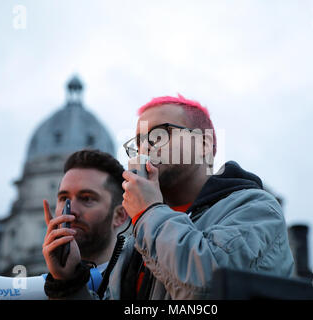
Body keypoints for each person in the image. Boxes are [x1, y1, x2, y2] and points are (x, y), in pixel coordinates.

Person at [43, 95, 294, 300]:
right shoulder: (136, 238)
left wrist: (149, 212)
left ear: (204, 145)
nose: (146, 148)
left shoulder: (256, 208)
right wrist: (69, 284)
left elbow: (206, 290)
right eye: (138, 142)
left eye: (160, 135)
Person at [41, 149, 129, 297]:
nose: (71, 210)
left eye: (87, 198)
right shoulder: (45, 285)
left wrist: (67, 285)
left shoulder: (142, 280)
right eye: (64, 199)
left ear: (120, 215)